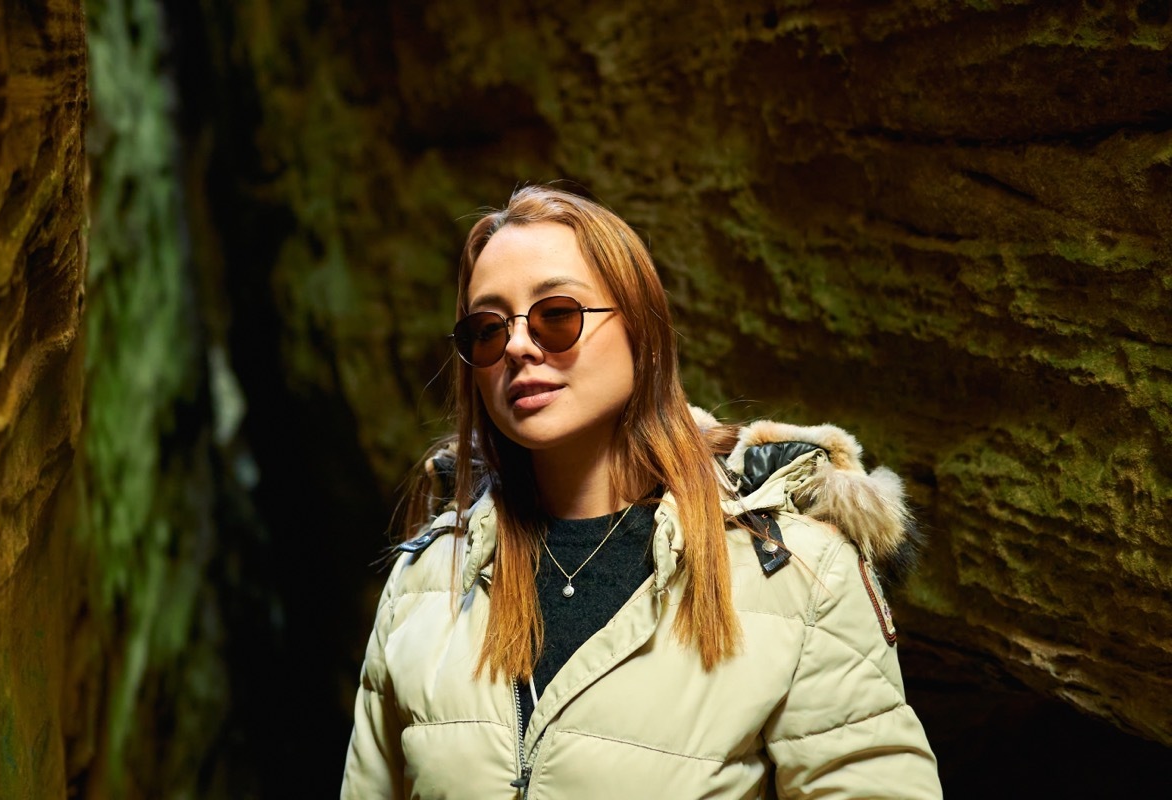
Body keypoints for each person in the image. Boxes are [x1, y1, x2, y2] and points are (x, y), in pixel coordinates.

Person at [341, 185, 942, 799]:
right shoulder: (425, 581)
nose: (519, 346)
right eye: (488, 331)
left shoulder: (793, 572)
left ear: (640, 330)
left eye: (556, 315)